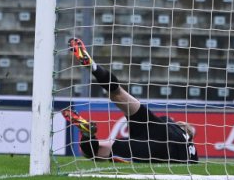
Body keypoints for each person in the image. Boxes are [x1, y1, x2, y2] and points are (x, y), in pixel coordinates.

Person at [61, 37, 199, 164]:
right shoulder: (191, 150)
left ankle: (94, 68)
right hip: (164, 150)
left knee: (117, 93)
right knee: (99, 152)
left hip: (154, 129)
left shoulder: (168, 122)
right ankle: (86, 133)